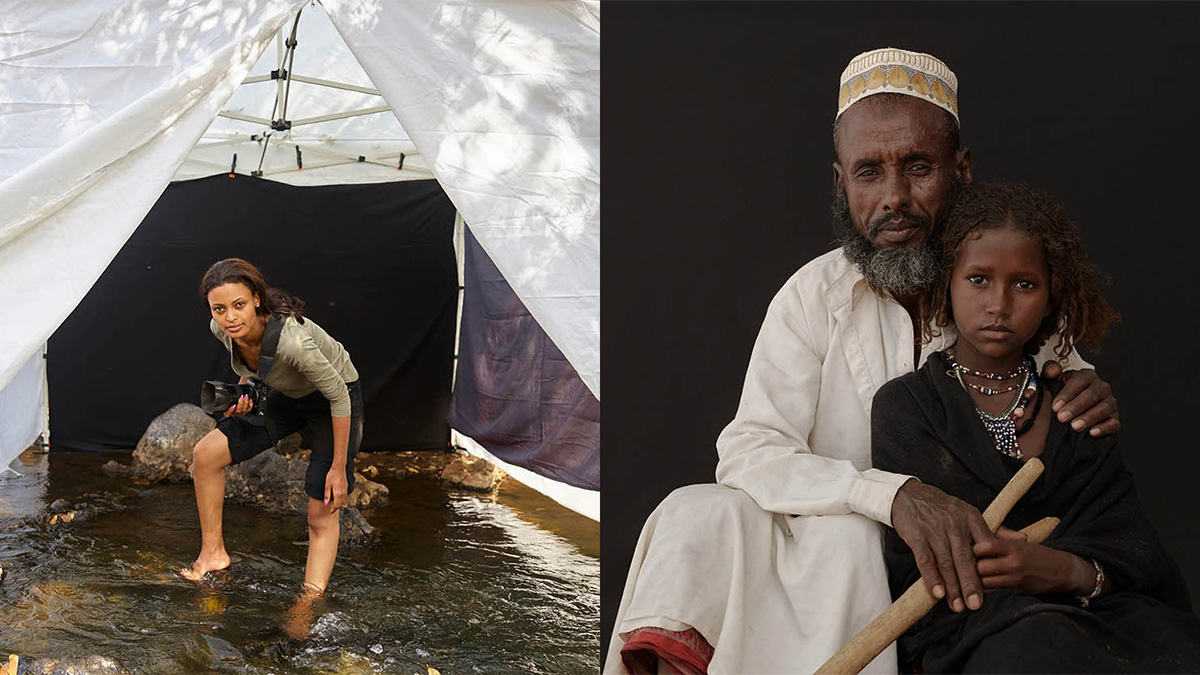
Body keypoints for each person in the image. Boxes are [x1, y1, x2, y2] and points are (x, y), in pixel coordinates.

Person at [605, 48, 1121, 674]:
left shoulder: (1008, 287)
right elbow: (748, 451)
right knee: (696, 512)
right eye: (869, 172)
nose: (894, 198)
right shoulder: (811, 295)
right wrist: (888, 495)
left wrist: (1089, 387)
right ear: (840, 182)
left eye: (919, 168)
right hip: (827, 553)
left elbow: (1063, 396)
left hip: (966, 574)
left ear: (961, 170)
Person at [872, 182, 1200, 672]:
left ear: (1051, 297)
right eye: (978, 279)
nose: (999, 304)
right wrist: (1013, 576)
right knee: (1036, 648)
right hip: (974, 627)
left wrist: (1057, 569)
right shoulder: (909, 406)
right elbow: (921, 567)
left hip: (1093, 615)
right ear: (946, 284)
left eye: (1024, 284)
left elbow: (1135, 558)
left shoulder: (1075, 407)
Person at [181, 258, 364, 608]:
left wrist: (339, 468)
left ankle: (308, 603)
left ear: (256, 300)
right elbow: (253, 368)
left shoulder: (293, 343)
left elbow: (339, 395)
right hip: (283, 391)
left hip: (333, 402)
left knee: (321, 510)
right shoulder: (220, 329)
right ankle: (212, 555)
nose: (230, 317)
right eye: (219, 309)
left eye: (238, 305)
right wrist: (244, 395)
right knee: (205, 455)